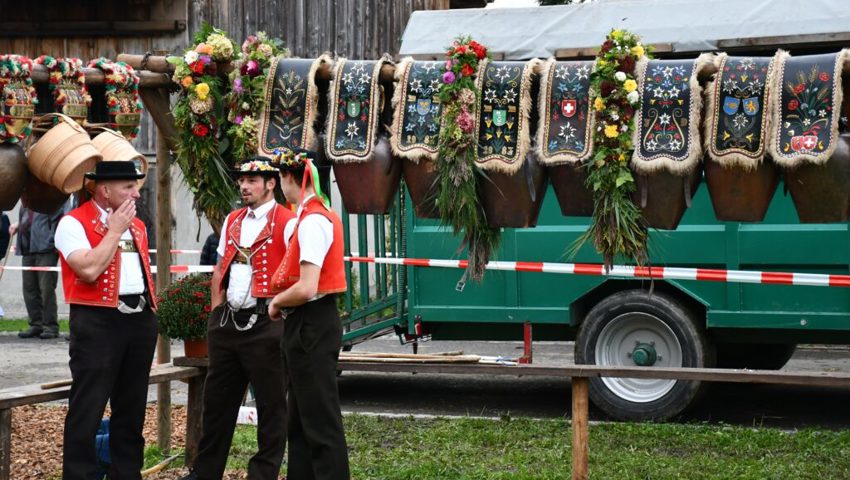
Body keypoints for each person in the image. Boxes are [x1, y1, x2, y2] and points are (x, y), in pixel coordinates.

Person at [180, 157, 295, 480]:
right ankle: (205, 473)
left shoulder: (288, 222)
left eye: (252, 180)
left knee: (272, 408)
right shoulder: (233, 219)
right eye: (242, 180)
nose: (244, 186)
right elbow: (220, 271)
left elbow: (296, 273)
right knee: (216, 405)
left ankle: (263, 474)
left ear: (271, 183)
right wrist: (216, 315)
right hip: (227, 323)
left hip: (266, 323)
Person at [54, 161, 157, 480]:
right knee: (89, 405)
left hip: (138, 320)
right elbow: (87, 269)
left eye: (136, 186)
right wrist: (113, 230)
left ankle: (126, 474)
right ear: (104, 190)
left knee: (132, 406)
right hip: (97, 322)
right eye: (128, 187)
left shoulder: (137, 225)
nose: (135, 193)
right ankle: (79, 475)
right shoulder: (72, 223)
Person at [268, 150, 350, 480]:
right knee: (300, 422)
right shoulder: (313, 216)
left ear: (292, 178)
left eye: (281, 178)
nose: (279, 187)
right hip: (309, 322)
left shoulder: (314, 221)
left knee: (320, 424)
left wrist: (276, 302)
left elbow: (306, 286)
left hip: (311, 322)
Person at [10, 201, 67, 339]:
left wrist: (52, 241)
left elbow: (62, 219)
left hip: (45, 249)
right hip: (27, 248)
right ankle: (35, 325)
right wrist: (18, 224)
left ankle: (50, 326)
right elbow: (30, 219)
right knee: (29, 289)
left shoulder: (50, 197)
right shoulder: (27, 199)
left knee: (46, 289)